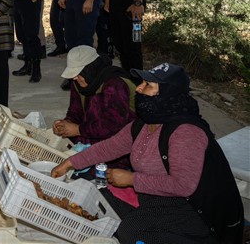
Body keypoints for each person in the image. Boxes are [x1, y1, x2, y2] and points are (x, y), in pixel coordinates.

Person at [52, 63, 244, 243]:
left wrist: (132, 179)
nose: (138, 89)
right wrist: (69, 163)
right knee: (102, 197)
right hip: (158, 197)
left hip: (194, 209)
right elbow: (109, 147)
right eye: (142, 83)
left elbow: (183, 185)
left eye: (148, 85)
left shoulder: (186, 132)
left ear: (167, 93)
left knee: (130, 231)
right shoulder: (145, 123)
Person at [52, 45, 137, 173]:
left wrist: (78, 130)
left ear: (90, 69)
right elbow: (75, 112)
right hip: (91, 137)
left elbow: (114, 125)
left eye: (78, 73)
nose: (74, 78)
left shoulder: (115, 84)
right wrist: (65, 124)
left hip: (119, 145)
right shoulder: (79, 83)